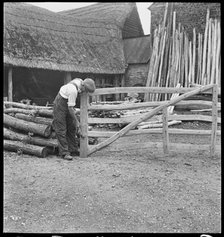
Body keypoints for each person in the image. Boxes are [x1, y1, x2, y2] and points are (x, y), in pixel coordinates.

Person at [52, 78, 96, 160]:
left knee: (71, 127)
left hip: (68, 102)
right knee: (61, 129)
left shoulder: (80, 81)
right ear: (83, 86)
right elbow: (70, 108)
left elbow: (70, 107)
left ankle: (73, 149)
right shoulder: (73, 90)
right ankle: (64, 153)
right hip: (60, 104)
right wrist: (77, 122)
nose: (85, 92)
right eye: (85, 90)